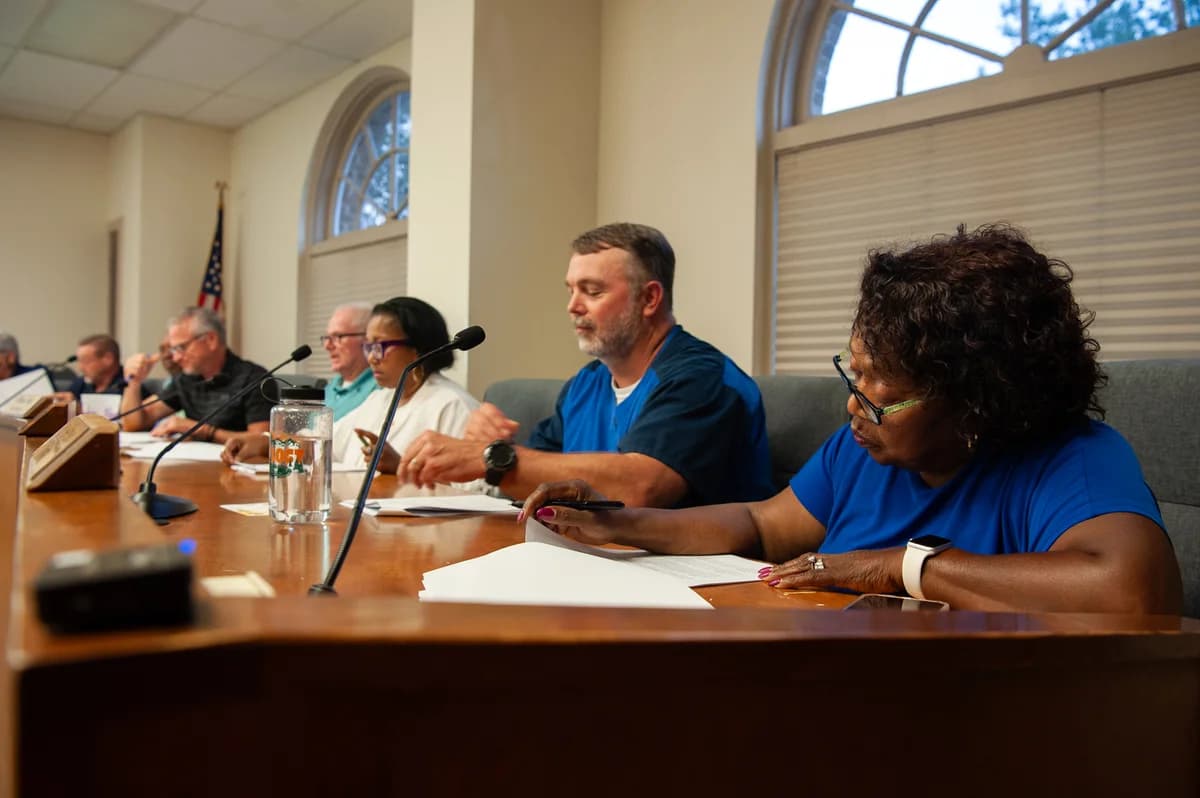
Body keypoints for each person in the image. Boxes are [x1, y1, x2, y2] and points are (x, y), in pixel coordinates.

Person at [519, 224, 1183, 615]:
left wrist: (901, 568)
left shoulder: (1071, 457)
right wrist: (618, 521)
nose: (852, 402)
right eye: (853, 372)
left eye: (874, 386)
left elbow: (1128, 586)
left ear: (973, 396)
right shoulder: (861, 447)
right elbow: (761, 523)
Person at [397, 222, 774, 507]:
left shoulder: (702, 379)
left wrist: (493, 458)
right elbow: (535, 471)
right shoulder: (587, 383)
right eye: (571, 290)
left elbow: (642, 486)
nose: (573, 306)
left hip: (697, 590)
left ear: (649, 298)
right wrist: (491, 444)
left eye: (592, 291)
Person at [222, 297, 478, 472]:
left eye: (381, 346)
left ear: (418, 349)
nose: (372, 357)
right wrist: (267, 443)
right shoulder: (381, 399)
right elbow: (324, 445)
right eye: (368, 346)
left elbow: (475, 491)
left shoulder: (453, 406)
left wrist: (398, 467)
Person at [119, 307, 272, 443]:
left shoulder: (254, 378)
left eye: (181, 347)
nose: (176, 358)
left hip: (238, 469)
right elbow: (134, 423)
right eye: (173, 350)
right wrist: (133, 382)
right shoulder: (186, 378)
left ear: (210, 340)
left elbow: (262, 440)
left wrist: (201, 430)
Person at [320, 302, 376, 420]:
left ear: (367, 339)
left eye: (338, 337)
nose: (327, 345)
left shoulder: (380, 390)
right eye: (327, 337)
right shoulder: (330, 388)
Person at [67, 334, 134, 398]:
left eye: (86, 361)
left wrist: (79, 407)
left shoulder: (129, 383)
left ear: (108, 359)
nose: (80, 368)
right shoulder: (81, 383)